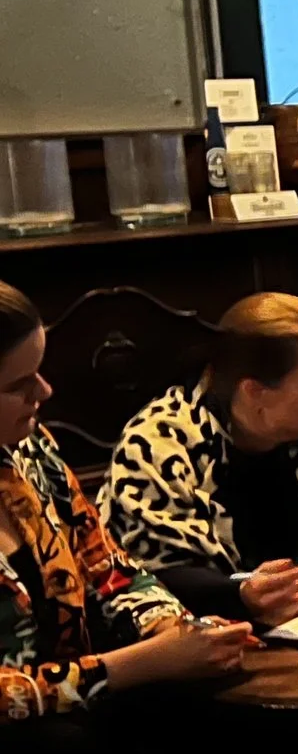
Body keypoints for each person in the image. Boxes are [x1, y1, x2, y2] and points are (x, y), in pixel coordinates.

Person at [0, 283, 252, 723]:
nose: (44, 392)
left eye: (40, 371)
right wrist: (142, 663)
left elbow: (107, 567)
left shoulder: (30, 451)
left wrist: (174, 628)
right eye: (20, 383)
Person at [106, 293, 298, 626]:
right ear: (255, 392)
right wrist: (241, 594)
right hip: (211, 642)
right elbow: (155, 580)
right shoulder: (159, 443)